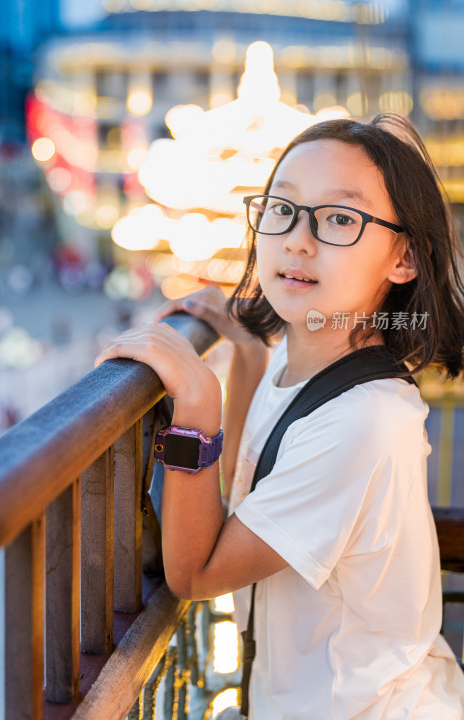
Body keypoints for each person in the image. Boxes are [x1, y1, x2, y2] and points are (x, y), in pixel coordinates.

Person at [95, 115, 464, 719]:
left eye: (340, 219)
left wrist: (196, 405)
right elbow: (243, 482)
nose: (297, 240)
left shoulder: (365, 420)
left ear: (404, 259)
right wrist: (242, 353)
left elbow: (196, 571)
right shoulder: (297, 362)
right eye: (282, 209)